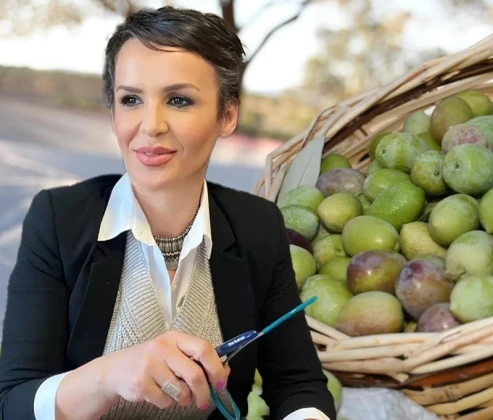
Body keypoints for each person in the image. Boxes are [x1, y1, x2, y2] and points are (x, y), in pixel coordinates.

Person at [0, 6, 335, 420]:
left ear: (227, 115)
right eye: (131, 99)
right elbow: (12, 403)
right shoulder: (57, 220)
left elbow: (298, 385)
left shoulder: (258, 227)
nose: (151, 125)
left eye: (178, 100)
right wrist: (106, 377)